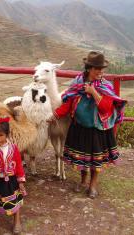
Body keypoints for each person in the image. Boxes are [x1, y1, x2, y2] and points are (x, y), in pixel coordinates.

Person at [48, 51, 126, 199]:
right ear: (89, 68)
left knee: (96, 160)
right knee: (82, 158)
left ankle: (93, 185)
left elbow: (105, 108)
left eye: (102, 69)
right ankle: (83, 182)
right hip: (80, 126)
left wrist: (93, 92)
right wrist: (56, 115)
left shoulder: (105, 86)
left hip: (98, 128)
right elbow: (69, 102)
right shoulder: (78, 83)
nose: (100, 72)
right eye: (97, 68)